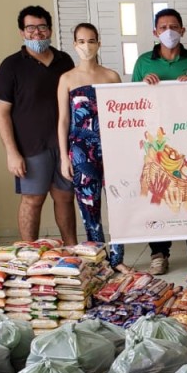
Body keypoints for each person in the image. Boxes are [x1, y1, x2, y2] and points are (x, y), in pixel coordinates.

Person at [131, 8, 187, 274]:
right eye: (163, 26)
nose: (169, 31)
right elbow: (133, 100)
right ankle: (158, 253)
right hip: (156, 139)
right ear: (155, 32)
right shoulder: (143, 62)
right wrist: (144, 84)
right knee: (158, 191)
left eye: (174, 26)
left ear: (183, 31)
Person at [0, 5, 77, 245]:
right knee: (32, 199)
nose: (37, 33)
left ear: (50, 30)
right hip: (30, 148)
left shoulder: (65, 60)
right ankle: (29, 255)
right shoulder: (11, 66)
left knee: (65, 197)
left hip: (63, 145)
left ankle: (71, 251)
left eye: (42, 27)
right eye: (30, 28)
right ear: (22, 32)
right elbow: (1, 113)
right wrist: (12, 152)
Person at [56, 23, 131, 273]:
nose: (86, 46)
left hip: (112, 148)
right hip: (80, 150)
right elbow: (63, 120)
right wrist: (65, 158)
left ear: (99, 43)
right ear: (74, 44)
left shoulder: (111, 77)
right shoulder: (66, 79)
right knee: (89, 206)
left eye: (90, 40)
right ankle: (98, 259)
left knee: (119, 204)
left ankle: (117, 258)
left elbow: (124, 116)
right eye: (80, 41)